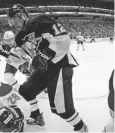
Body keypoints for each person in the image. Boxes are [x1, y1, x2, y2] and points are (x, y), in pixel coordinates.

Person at [7, 4, 88, 132]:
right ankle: (36, 117)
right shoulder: (19, 38)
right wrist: (7, 68)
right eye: (10, 22)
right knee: (26, 90)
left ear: (22, 16)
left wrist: (45, 55)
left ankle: (82, 128)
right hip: (45, 70)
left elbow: (63, 39)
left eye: (14, 20)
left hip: (60, 65)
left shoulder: (40, 21)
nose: (12, 24)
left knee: (61, 109)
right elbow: (17, 55)